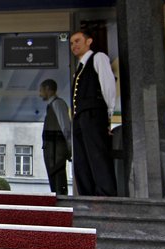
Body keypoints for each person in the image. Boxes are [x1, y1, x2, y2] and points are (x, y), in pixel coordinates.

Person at [69, 30, 117, 196]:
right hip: (81, 116)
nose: (74, 45)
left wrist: (109, 115)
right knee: (82, 159)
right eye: (71, 43)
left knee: (97, 155)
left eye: (77, 41)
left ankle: (105, 194)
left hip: (94, 113)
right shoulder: (79, 68)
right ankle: (86, 195)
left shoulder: (98, 58)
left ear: (89, 41)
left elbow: (108, 85)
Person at [39, 79, 71, 195]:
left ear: (48, 89)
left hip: (57, 149)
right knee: (54, 178)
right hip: (52, 149)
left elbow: (65, 126)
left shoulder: (58, 104)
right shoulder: (52, 105)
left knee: (58, 178)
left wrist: (69, 147)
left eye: (41, 90)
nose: (40, 93)